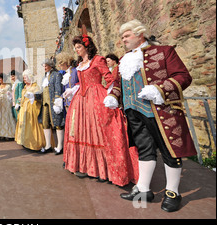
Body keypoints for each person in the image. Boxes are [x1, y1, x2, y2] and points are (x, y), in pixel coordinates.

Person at [105, 19, 196, 212]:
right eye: (122, 37)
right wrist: (114, 96)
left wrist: (159, 89)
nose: (123, 40)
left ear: (140, 34)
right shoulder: (123, 60)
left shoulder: (164, 52)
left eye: (127, 36)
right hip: (133, 112)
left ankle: (173, 192)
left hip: (160, 111)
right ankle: (143, 189)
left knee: (169, 149)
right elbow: (118, 83)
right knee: (144, 148)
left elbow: (183, 76)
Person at [63, 35, 138, 187]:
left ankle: (104, 170)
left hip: (96, 97)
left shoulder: (97, 60)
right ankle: (84, 166)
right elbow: (81, 81)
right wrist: (73, 89)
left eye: (79, 47)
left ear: (86, 47)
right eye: (75, 47)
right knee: (82, 131)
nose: (77, 50)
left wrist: (112, 95)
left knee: (99, 132)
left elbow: (110, 78)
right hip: (80, 100)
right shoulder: (80, 64)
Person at [14, 70, 46, 151]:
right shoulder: (25, 87)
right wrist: (18, 102)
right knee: (24, 125)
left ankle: (34, 143)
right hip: (24, 109)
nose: (24, 79)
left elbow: (40, 97)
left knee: (32, 125)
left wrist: (33, 96)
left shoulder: (35, 87)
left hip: (32, 109)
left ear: (30, 78)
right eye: (24, 78)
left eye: (25, 77)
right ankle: (25, 142)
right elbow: (22, 97)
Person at [56, 52, 79, 155]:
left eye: (60, 63)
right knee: (69, 129)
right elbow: (65, 89)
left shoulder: (75, 71)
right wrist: (60, 99)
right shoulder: (65, 74)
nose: (59, 66)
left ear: (66, 62)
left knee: (75, 129)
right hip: (67, 105)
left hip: (75, 103)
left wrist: (73, 90)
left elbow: (80, 85)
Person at [38, 59, 63, 154]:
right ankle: (48, 145)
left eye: (46, 66)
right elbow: (42, 91)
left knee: (58, 123)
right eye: (43, 66)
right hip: (45, 103)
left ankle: (60, 146)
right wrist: (34, 95)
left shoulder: (56, 74)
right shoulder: (44, 77)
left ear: (51, 65)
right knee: (45, 123)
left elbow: (58, 88)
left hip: (54, 103)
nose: (44, 67)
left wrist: (57, 101)